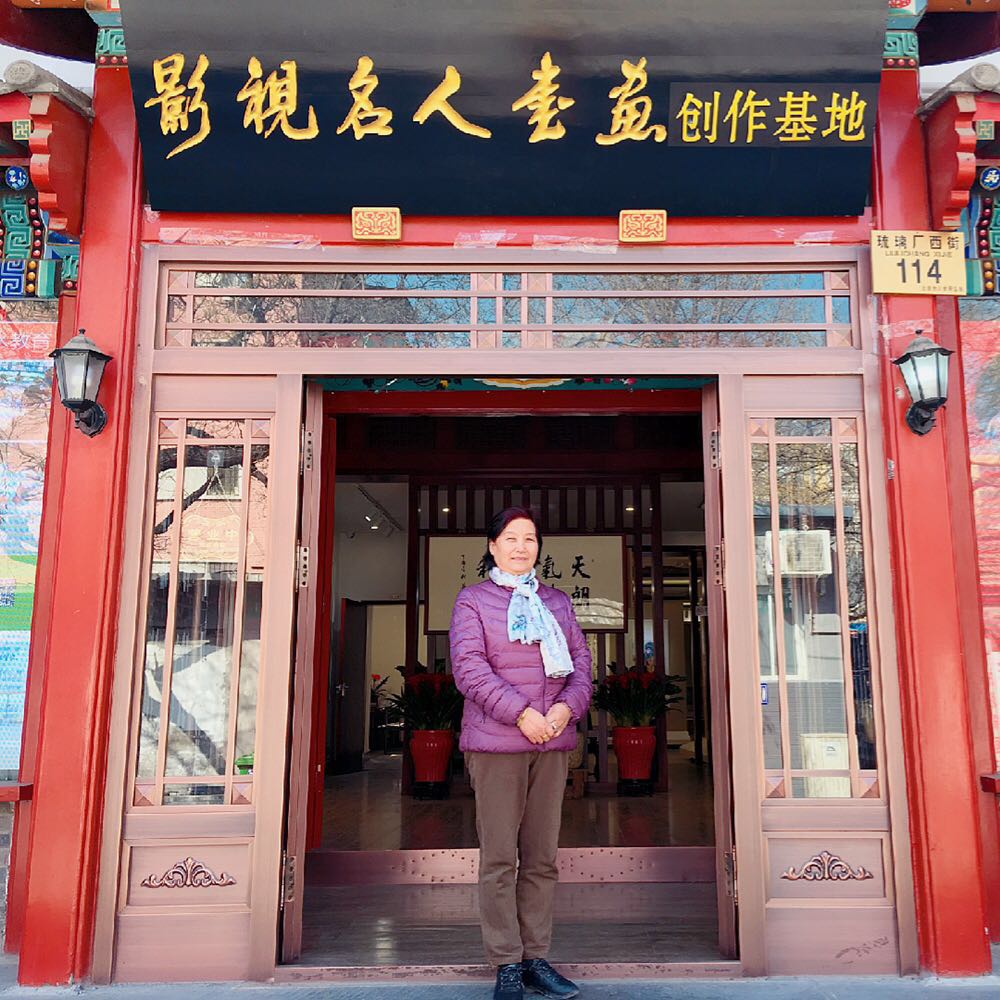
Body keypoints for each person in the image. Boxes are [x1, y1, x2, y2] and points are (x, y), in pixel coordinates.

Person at [450, 507, 592, 1000]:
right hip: (497, 745)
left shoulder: (557, 602)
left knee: (541, 858)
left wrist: (566, 710)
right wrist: (522, 714)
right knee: (498, 859)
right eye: (510, 538)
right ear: (492, 546)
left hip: (551, 742)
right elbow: (469, 669)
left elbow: (581, 665)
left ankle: (536, 958)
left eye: (529, 539)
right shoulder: (472, 601)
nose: (520, 547)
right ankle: (506, 962)